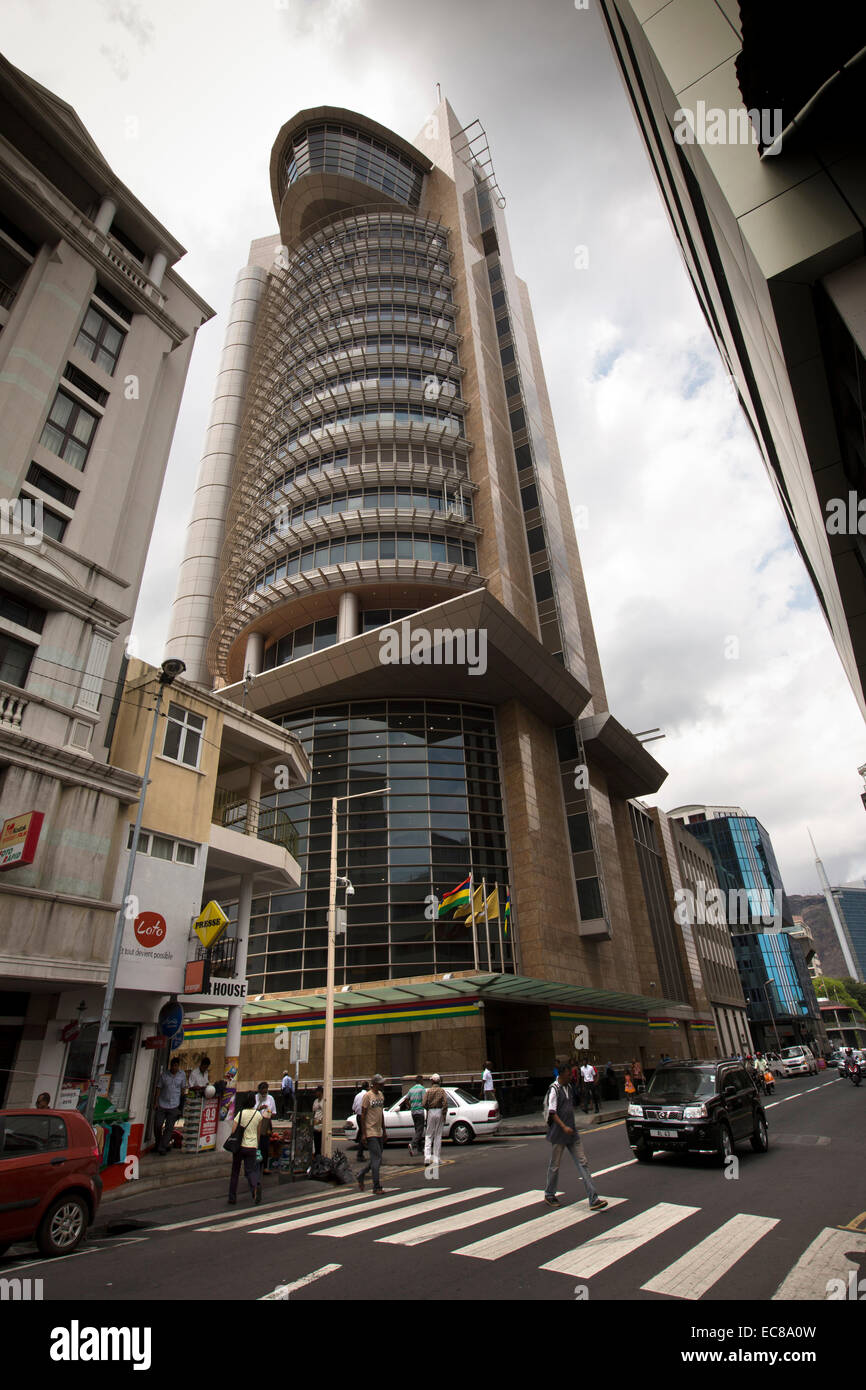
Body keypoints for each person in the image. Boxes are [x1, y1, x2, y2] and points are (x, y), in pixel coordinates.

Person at [544, 1067, 607, 1211]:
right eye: (568, 1075)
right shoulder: (554, 1089)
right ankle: (549, 1194)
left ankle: (593, 1198)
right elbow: (552, 1112)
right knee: (555, 1165)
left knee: (582, 1163)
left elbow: (572, 1105)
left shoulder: (569, 1087)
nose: (571, 1077)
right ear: (561, 1075)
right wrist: (563, 1127)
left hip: (572, 1133)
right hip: (560, 1133)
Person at [228, 1092, 262, 1206]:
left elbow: (233, 1130)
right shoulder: (258, 1115)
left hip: (239, 1146)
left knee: (235, 1172)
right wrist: (256, 1145)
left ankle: (232, 1197)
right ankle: (255, 1188)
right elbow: (258, 1133)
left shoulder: (240, 1113)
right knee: (250, 1170)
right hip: (252, 1146)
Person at [357, 1075, 387, 1194]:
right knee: (377, 1158)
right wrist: (364, 1134)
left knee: (377, 1158)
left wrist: (384, 1130)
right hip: (370, 1131)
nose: (382, 1085)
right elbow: (363, 1115)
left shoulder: (381, 1095)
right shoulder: (367, 1096)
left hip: (379, 1131)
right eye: (380, 1083)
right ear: (374, 1084)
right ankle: (376, 1186)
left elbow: (381, 1113)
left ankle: (362, 1174)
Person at [154, 1057, 186, 1154]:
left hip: (174, 1105)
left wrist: (181, 1105)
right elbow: (158, 1088)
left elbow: (183, 1090)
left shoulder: (182, 1075)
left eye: (176, 1066)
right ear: (170, 1066)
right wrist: (155, 1102)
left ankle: (162, 1147)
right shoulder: (164, 1075)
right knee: (157, 1125)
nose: (174, 1068)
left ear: (178, 1066)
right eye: (173, 1066)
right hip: (162, 1103)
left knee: (169, 1127)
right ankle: (159, 1142)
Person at [423, 1072, 449, 1172]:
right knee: (438, 1135)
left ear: (432, 1081)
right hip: (439, 1111)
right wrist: (444, 1114)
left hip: (430, 1111)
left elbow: (424, 1103)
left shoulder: (428, 1091)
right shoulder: (442, 1091)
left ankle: (427, 1157)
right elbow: (445, 1103)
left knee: (429, 1134)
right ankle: (436, 1158)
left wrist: (428, 1109)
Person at [255, 1081, 276, 1173]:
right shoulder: (255, 1098)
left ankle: (265, 1166)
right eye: (262, 1092)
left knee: (265, 1145)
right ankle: (256, 1165)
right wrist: (259, 1108)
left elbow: (274, 1112)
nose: (264, 1093)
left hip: (266, 1123)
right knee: (256, 1145)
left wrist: (268, 1112)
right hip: (256, 1123)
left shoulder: (270, 1098)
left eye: (265, 1092)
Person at [406, 1074, 426, 1157]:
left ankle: (419, 1148)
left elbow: (406, 1099)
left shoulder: (411, 1090)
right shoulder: (422, 1089)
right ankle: (412, 1144)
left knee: (417, 1130)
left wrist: (410, 1106)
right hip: (420, 1111)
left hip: (413, 1112)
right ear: (421, 1081)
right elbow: (424, 1100)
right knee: (420, 1130)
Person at [352, 1080, 368, 1156]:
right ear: (368, 1087)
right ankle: (360, 1153)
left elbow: (353, 1108)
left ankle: (360, 1151)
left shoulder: (357, 1095)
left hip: (358, 1116)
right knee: (364, 1133)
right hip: (365, 1116)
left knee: (362, 1132)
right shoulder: (368, 1095)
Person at [312, 1085, 324, 1155]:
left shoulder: (324, 1101)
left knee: (320, 1142)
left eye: (316, 1092)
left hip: (321, 1124)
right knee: (316, 1141)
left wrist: (321, 1121)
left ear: (320, 1092)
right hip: (315, 1124)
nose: (315, 1093)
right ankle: (317, 1155)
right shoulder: (315, 1101)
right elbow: (313, 1112)